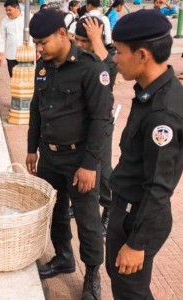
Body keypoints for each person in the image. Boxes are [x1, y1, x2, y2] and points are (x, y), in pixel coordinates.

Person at [26, 9, 112, 300]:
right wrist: (30, 149)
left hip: (79, 161)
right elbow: (36, 110)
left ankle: (92, 276)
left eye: (43, 42)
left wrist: (90, 165)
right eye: (36, 43)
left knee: (88, 221)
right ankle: (64, 257)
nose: (39, 48)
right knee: (56, 213)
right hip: (49, 157)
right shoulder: (43, 66)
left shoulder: (90, 68)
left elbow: (101, 120)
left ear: (62, 34)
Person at [107, 9, 183, 299]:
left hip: (139, 216)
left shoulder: (162, 114)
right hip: (128, 207)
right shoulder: (151, 91)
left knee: (131, 292)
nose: (114, 58)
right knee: (124, 285)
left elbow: (159, 186)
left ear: (142, 55)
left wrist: (137, 243)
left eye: (119, 51)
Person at [74, 17, 118, 237]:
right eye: (77, 39)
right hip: (79, 123)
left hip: (100, 124)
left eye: (86, 40)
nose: (80, 44)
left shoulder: (105, 56)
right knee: (78, 164)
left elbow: (109, 71)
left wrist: (96, 40)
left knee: (102, 171)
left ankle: (110, 208)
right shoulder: (75, 55)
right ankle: (79, 203)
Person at [0, 0, 32, 78]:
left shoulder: (28, 17)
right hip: (12, 56)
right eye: (6, 10)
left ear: (17, 8)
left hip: (26, 54)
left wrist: (38, 51)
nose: (7, 12)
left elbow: (35, 33)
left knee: (27, 78)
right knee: (14, 79)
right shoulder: (5, 21)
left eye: (10, 10)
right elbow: (2, 37)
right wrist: (0, 54)